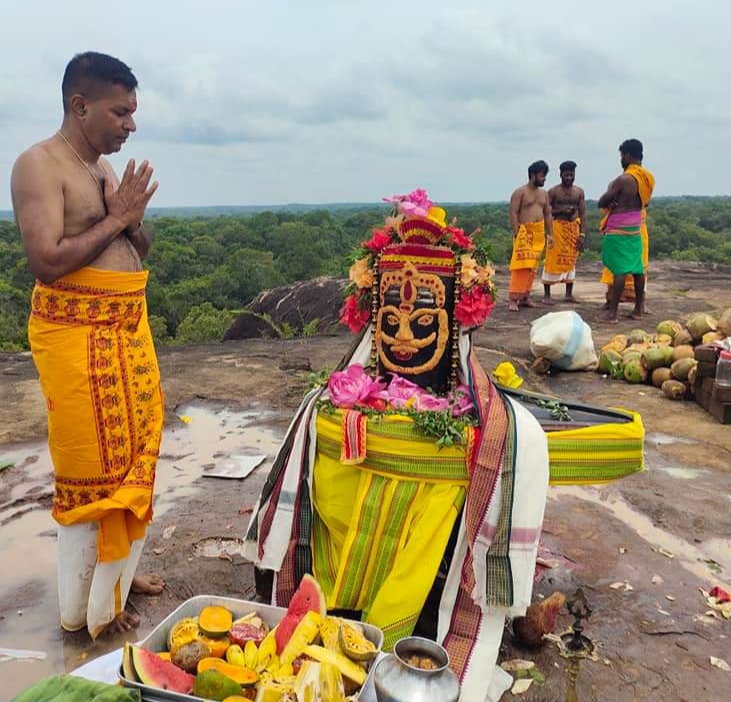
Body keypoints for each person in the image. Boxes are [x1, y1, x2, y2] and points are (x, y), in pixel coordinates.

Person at [244, 193, 550, 701]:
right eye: (391, 317)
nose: (404, 335)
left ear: (455, 320)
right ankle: (337, 613)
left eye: (424, 320)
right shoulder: (343, 396)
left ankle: (411, 628)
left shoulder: (483, 414)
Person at [11, 51, 164, 638]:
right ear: (81, 105)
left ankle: (119, 578)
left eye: (133, 113)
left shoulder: (101, 170)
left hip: (128, 331)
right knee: (89, 471)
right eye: (121, 112)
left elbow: (136, 249)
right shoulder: (39, 165)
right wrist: (115, 217)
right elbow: (46, 261)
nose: (131, 125)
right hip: (77, 337)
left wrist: (129, 219)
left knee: (134, 460)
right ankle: (83, 611)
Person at [597, 139, 655, 322]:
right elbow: (645, 202)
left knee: (619, 270)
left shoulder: (623, 179)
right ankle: (638, 309)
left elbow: (602, 202)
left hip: (619, 228)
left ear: (628, 155)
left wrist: (611, 202)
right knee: (637, 269)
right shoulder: (648, 178)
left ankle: (612, 314)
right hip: (635, 226)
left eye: (622, 155)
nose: (621, 159)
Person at [508, 161, 554, 311]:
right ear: (533, 175)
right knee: (520, 266)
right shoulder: (520, 192)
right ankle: (514, 299)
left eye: (545, 176)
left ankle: (525, 296)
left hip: (538, 233)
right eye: (542, 176)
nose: (544, 179)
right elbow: (513, 213)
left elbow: (547, 214)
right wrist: (516, 233)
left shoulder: (544, 194)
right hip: (524, 232)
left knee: (532, 267)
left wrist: (550, 234)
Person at [542, 161, 586, 303]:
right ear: (560, 175)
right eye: (566, 175)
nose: (569, 177)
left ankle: (568, 294)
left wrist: (582, 234)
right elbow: (546, 212)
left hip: (573, 229)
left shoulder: (579, 192)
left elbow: (583, 214)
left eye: (571, 175)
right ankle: (547, 295)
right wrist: (561, 210)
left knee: (571, 260)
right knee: (552, 259)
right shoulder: (553, 191)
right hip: (557, 229)